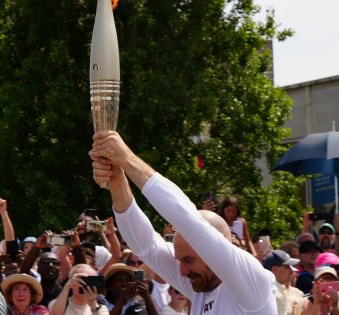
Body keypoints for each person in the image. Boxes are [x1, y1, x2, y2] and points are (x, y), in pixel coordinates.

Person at [89, 131, 276, 314]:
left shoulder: (253, 284)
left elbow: (186, 219)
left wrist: (127, 159)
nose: (183, 272)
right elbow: (146, 246)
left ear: (214, 244)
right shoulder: (203, 284)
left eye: (188, 260)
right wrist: (118, 184)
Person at [262, 250, 303, 315]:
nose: (292, 270)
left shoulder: (275, 289)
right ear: (274, 269)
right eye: (287, 267)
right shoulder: (274, 292)